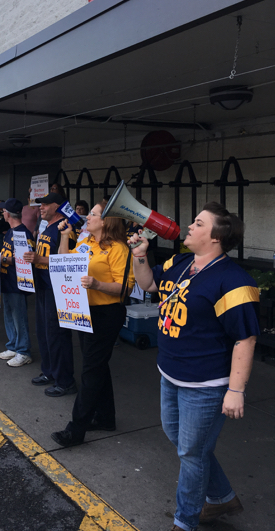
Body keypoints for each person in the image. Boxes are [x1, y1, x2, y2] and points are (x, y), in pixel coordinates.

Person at [128, 201, 260, 531]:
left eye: (198, 223)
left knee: (191, 452)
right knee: (185, 444)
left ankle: (184, 521)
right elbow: (148, 285)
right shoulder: (180, 262)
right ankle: (222, 498)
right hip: (170, 373)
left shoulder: (234, 281)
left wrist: (235, 390)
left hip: (205, 384)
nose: (189, 226)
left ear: (216, 237)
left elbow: (245, 339)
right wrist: (140, 255)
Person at [51, 201, 134, 448]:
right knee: (97, 365)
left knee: (90, 369)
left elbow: (126, 288)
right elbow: (65, 264)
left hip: (106, 314)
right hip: (85, 312)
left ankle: (76, 430)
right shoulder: (86, 242)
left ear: (106, 221)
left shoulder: (118, 249)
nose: (87, 217)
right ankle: (106, 418)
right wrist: (65, 237)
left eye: (94, 214)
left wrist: (97, 285)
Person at [23, 192, 76, 397]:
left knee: (58, 335)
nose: (41, 208)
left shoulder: (66, 228)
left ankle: (65, 380)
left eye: (45, 205)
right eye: (40, 205)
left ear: (58, 206)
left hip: (58, 289)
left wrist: (39, 259)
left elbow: (69, 261)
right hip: (44, 286)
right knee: (45, 332)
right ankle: (49, 371)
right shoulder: (48, 227)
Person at [0, 198, 34, 367]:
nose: (3, 213)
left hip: (17, 282)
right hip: (7, 279)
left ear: (7, 213)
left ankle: (23, 350)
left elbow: (24, 259)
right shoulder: (11, 231)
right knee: (9, 314)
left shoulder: (22, 233)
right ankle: (13, 345)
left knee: (19, 316)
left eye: (3, 211)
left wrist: (3, 259)